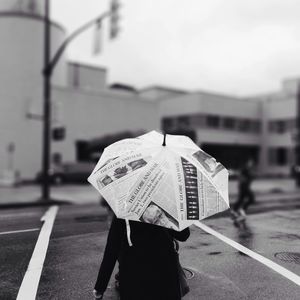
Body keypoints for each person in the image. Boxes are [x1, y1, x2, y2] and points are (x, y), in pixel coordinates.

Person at [93, 216, 190, 300]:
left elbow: (112, 248)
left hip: (134, 277)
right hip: (165, 274)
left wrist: (100, 287)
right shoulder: (165, 205)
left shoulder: (125, 208)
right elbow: (183, 235)